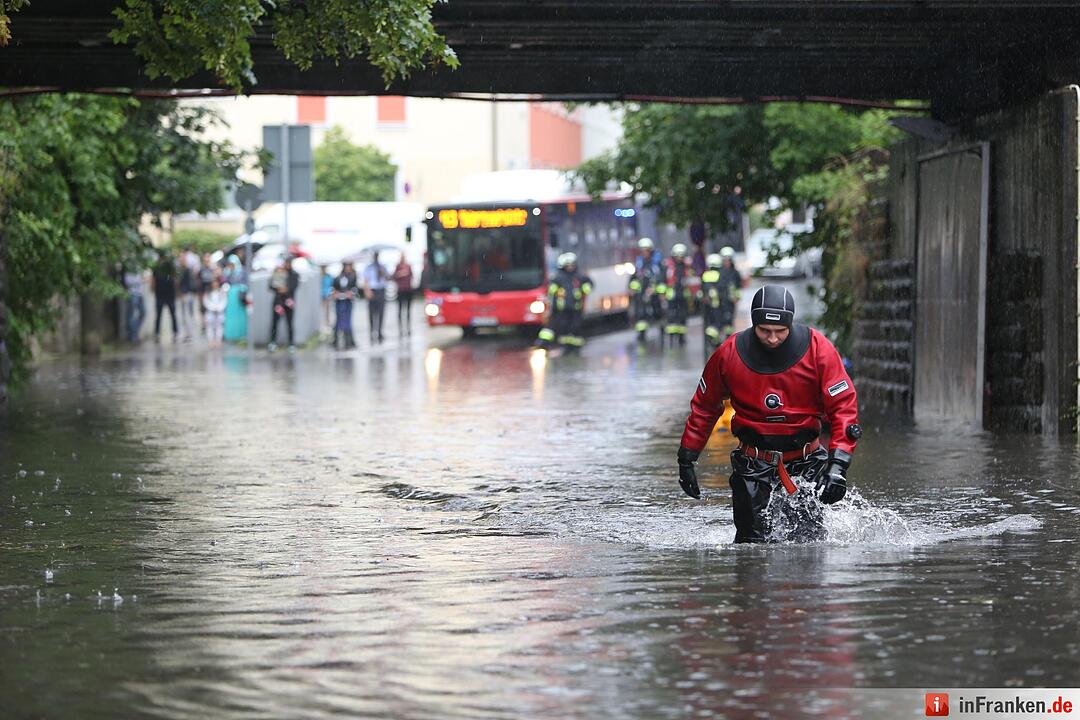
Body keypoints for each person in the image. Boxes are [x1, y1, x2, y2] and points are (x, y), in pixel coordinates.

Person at [675, 285, 860, 543]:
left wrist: (838, 465)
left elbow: (843, 408)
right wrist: (687, 457)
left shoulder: (818, 349)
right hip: (752, 465)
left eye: (780, 331)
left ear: (790, 324)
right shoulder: (728, 354)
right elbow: (704, 408)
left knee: (808, 547)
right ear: (753, 324)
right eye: (764, 331)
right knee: (750, 550)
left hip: (806, 464)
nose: (772, 338)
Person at [536, 252, 593, 350]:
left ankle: (573, 345)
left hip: (575, 307)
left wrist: (584, 289)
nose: (570, 267)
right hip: (560, 308)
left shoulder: (579, 277)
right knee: (555, 326)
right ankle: (544, 342)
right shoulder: (558, 278)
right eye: (567, 265)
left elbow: (589, 284)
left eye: (572, 265)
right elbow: (551, 290)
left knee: (575, 326)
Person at [700, 247, 743, 354]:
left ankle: (725, 343)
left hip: (727, 303)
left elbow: (736, 287)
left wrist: (735, 297)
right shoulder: (721, 273)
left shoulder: (734, 273)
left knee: (726, 324)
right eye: (724, 259)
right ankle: (719, 343)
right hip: (721, 304)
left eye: (728, 259)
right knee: (720, 323)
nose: (726, 262)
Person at [628, 237, 664, 344]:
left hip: (654, 293)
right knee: (641, 314)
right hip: (641, 293)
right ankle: (641, 335)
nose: (644, 252)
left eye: (646, 250)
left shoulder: (657, 263)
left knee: (657, 312)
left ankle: (662, 331)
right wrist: (632, 288)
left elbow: (661, 278)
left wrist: (654, 289)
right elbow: (634, 278)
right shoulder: (640, 263)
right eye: (642, 250)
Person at [663, 243, 694, 346]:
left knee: (682, 316)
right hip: (672, 296)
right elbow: (663, 280)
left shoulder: (686, 267)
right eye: (678, 256)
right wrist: (663, 293)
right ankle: (672, 338)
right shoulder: (668, 266)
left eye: (682, 256)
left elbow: (690, 280)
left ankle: (681, 338)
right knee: (672, 316)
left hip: (683, 296)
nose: (680, 258)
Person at [267, 256, 300, 352]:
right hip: (278, 302)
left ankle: (291, 343)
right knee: (274, 323)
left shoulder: (294, 274)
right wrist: (278, 288)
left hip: (289, 302)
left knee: (290, 323)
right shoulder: (279, 272)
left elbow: (294, 286)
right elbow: (271, 285)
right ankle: (272, 342)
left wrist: (286, 289)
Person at [151, 249, 178, 344]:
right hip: (160, 294)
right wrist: (153, 290)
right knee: (159, 315)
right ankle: (157, 333)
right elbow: (153, 280)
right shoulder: (156, 267)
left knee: (173, 314)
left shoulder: (170, 267)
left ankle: (175, 332)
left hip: (170, 294)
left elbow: (175, 279)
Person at [363, 251, 390, 345]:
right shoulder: (369, 268)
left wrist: (382, 272)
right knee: (371, 313)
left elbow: (387, 277)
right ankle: (372, 332)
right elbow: (366, 280)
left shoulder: (382, 267)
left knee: (381, 312)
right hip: (372, 290)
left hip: (381, 290)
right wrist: (367, 291)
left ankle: (379, 332)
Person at [332, 261, 359, 350]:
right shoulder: (337, 278)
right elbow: (333, 289)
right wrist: (336, 294)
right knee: (339, 320)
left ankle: (349, 341)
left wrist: (350, 293)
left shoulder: (352, 277)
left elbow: (355, 289)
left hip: (348, 302)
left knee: (348, 321)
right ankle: (336, 340)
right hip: (339, 302)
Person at [223, 254, 248, 342]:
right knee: (231, 315)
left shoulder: (242, 271)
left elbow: (246, 282)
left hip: (239, 295)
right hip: (231, 296)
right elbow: (225, 281)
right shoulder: (228, 272)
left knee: (240, 315)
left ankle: (241, 333)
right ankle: (231, 334)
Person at [177, 247, 199, 341]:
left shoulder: (186, 270)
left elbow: (187, 283)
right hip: (186, 294)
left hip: (187, 294)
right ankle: (187, 333)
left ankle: (189, 334)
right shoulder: (182, 270)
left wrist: (183, 294)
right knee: (185, 314)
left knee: (187, 314)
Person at [123, 264, 146, 343]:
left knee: (143, 313)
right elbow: (128, 282)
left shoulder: (139, 269)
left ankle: (134, 332)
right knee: (131, 315)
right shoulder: (129, 270)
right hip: (132, 294)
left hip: (139, 294)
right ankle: (133, 335)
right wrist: (141, 280)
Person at [202, 277, 227, 347]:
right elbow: (206, 301)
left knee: (219, 327)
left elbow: (224, 301)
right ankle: (211, 340)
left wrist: (219, 308)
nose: (215, 285)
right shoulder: (208, 293)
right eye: (214, 283)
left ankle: (218, 340)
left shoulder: (222, 292)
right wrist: (212, 308)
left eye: (216, 283)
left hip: (219, 312)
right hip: (210, 312)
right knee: (210, 327)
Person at [393, 255, 415, 335]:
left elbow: (412, 276)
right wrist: (400, 273)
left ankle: (408, 328)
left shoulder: (408, 266)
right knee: (400, 310)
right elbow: (394, 276)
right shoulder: (398, 266)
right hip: (401, 290)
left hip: (408, 289)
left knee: (408, 310)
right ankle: (401, 329)